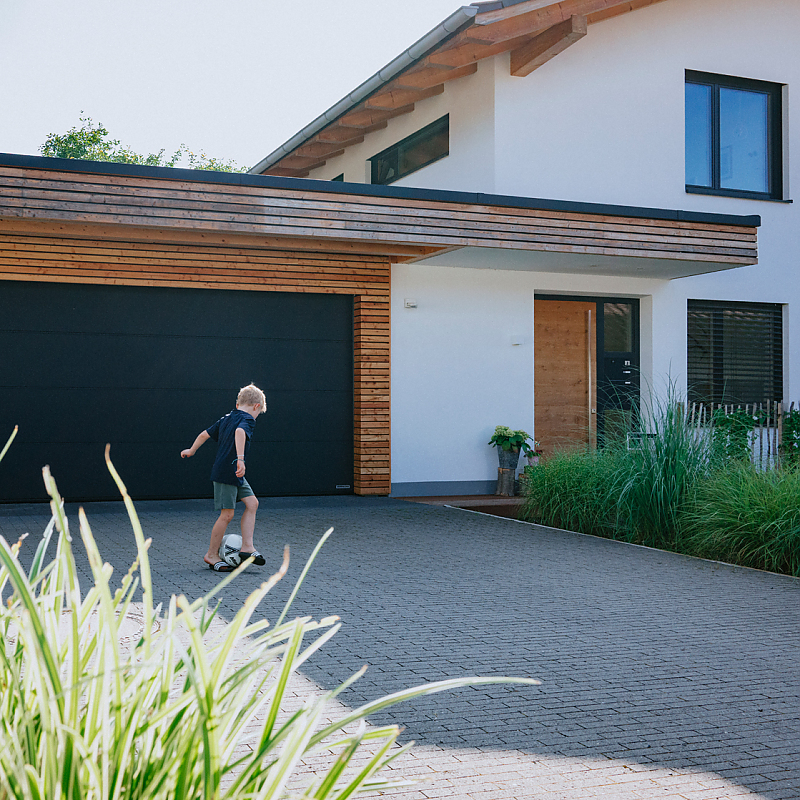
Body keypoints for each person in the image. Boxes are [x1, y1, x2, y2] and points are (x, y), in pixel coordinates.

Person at [181, 383, 267, 572]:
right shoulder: (247, 420)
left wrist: (192, 450)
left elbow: (205, 434)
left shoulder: (228, 417)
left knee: (252, 503)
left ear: (238, 404)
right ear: (256, 407)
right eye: (258, 414)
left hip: (231, 471)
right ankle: (211, 555)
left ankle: (247, 547)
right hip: (228, 471)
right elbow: (239, 432)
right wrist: (241, 459)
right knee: (227, 514)